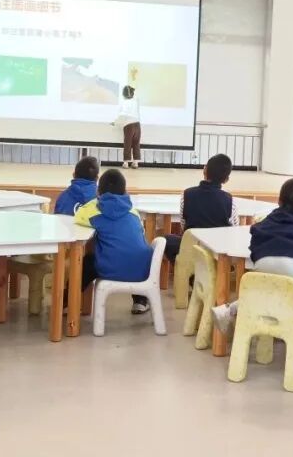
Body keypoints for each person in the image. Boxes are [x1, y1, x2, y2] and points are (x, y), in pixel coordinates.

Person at [211, 178, 293, 355]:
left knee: (259, 292)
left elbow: (255, 236)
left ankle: (229, 310)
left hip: (264, 264)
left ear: (279, 200)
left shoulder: (268, 220)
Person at [74, 168, 154, 314]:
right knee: (132, 252)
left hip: (111, 268)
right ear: (125, 191)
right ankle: (140, 301)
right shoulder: (134, 212)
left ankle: (67, 300)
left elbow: (78, 217)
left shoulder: (95, 211)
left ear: (98, 191)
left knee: (87, 263)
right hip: (143, 269)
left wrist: (95, 201)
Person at [163, 153, 238, 261]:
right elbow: (234, 230)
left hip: (191, 249)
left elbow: (183, 224)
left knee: (166, 240)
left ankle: (184, 269)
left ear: (204, 170)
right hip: (217, 255)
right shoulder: (230, 200)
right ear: (226, 179)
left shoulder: (187, 194)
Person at [114, 85, 141, 169]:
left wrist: (115, 123)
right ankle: (135, 163)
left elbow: (121, 116)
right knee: (136, 143)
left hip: (129, 125)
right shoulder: (136, 101)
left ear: (123, 94)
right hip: (137, 124)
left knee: (127, 143)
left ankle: (126, 163)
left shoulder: (124, 103)